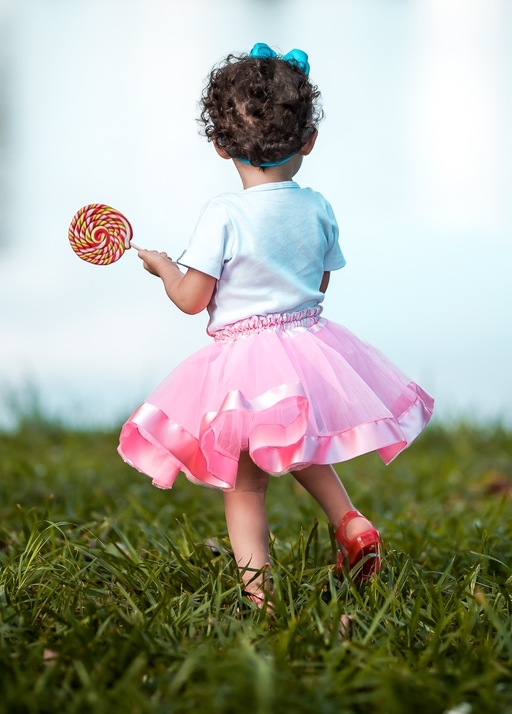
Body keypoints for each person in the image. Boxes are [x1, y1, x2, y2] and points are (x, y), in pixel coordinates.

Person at [118, 43, 433, 606]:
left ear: (218, 144)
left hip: (243, 361)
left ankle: (261, 602)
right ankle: (350, 522)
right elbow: (319, 282)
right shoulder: (317, 207)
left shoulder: (225, 213)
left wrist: (164, 266)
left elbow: (193, 300)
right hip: (309, 346)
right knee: (302, 447)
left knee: (245, 486)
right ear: (308, 140)